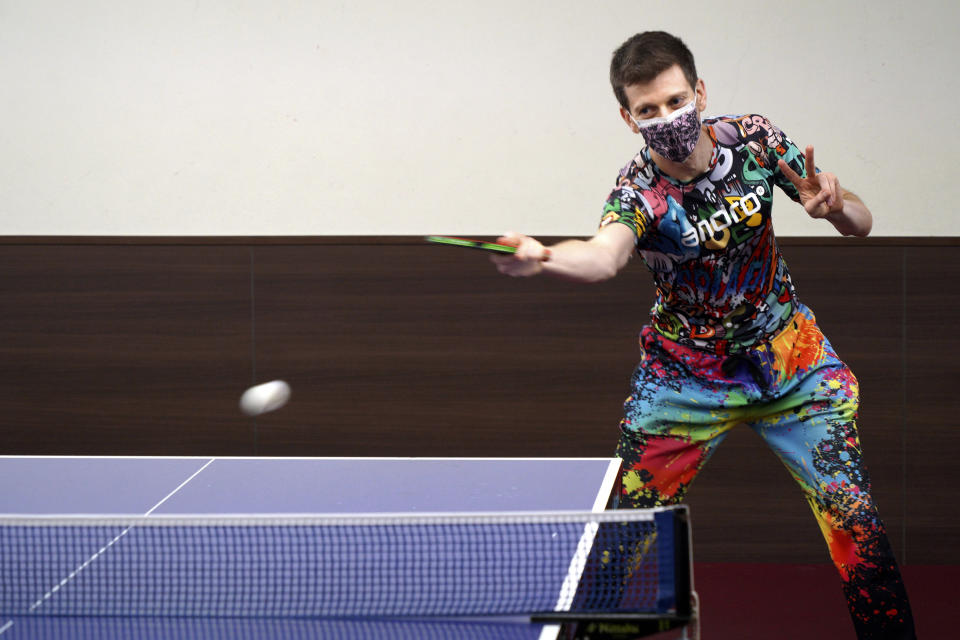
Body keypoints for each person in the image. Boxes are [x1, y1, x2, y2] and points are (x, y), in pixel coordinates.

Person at [491, 31, 914, 640]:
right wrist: (543, 256)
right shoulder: (639, 191)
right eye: (648, 110)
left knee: (858, 528)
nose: (666, 118)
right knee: (611, 547)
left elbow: (861, 223)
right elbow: (604, 256)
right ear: (627, 117)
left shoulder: (755, 139)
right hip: (684, 381)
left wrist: (836, 206)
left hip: (793, 364)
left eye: (676, 100)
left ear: (700, 91)